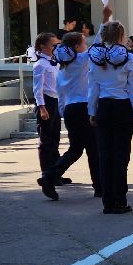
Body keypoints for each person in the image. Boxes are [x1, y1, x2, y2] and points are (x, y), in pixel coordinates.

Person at [89, 20, 133, 214]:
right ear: (121, 36)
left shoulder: (95, 58)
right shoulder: (129, 58)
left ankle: (107, 202)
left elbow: (93, 86)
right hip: (122, 107)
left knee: (104, 155)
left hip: (103, 107)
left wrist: (92, 111)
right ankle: (120, 200)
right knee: (121, 156)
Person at [43, 31, 97, 196]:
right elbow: (98, 43)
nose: (86, 46)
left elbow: (60, 94)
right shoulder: (81, 61)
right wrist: (105, 18)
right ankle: (100, 187)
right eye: (83, 43)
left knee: (75, 149)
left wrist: (62, 112)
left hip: (70, 110)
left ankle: (50, 176)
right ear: (76, 46)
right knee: (93, 149)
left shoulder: (61, 68)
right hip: (83, 108)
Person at [32, 31, 62, 198]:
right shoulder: (40, 65)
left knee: (55, 138)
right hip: (46, 102)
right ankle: (46, 173)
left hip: (55, 101)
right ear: (43, 47)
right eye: (53, 45)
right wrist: (42, 107)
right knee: (46, 140)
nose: (56, 48)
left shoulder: (54, 63)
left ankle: (56, 173)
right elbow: (38, 88)